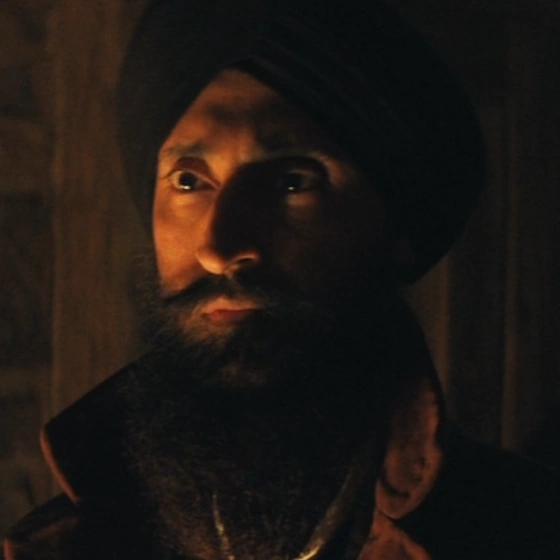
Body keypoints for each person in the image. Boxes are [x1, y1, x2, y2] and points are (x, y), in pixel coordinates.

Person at [4, 0, 560, 558]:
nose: (218, 249)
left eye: (293, 183)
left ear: (396, 229)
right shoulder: (58, 547)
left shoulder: (524, 532)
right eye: (189, 182)